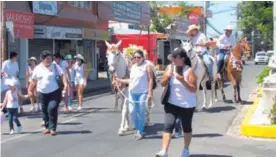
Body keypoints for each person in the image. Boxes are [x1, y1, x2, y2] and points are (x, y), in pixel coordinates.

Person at [156, 48, 197, 157]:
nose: (173, 59)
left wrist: (183, 80)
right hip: (171, 103)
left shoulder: (189, 71)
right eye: (172, 57)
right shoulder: (169, 68)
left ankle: (186, 149)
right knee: (168, 126)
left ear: (182, 59)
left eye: (175, 57)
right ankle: (164, 151)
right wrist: (167, 77)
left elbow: (194, 89)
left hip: (187, 105)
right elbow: (162, 83)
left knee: (186, 128)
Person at [115, 50, 154, 140]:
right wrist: (120, 80)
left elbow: (150, 79)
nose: (136, 59)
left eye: (138, 57)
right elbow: (131, 80)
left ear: (143, 57)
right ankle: (138, 128)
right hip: (132, 93)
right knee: (132, 112)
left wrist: (150, 92)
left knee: (140, 112)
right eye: (135, 57)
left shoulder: (147, 66)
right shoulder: (133, 67)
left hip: (143, 92)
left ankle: (140, 131)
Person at [28, 50, 68, 136]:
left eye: (50, 58)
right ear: (42, 59)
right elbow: (33, 81)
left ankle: (53, 128)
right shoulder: (37, 68)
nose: (49, 60)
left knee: (52, 108)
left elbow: (62, 75)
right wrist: (29, 90)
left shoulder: (55, 66)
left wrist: (65, 85)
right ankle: (47, 127)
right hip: (42, 93)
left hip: (55, 92)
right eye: (47, 58)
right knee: (44, 110)